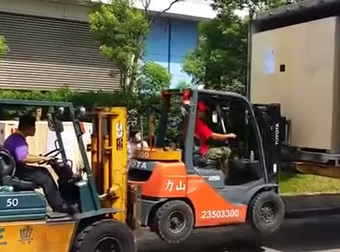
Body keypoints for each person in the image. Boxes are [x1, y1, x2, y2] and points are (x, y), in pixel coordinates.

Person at [3, 115, 71, 213]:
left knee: (41, 171)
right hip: (18, 171)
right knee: (44, 175)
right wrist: (43, 158)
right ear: (27, 127)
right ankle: (59, 206)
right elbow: (23, 158)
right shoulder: (19, 141)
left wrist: (40, 158)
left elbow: (24, 155)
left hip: (15, 169)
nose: (35, 129)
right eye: (34, 126)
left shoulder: (13, 138)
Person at [194, 101, 237, 175]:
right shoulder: (199, 123)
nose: (205, 113)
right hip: (203, 151)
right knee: (227, 151)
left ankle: (219, 170)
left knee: (218, 150)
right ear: (198, 112)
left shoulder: (193, 122)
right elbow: (213, 136)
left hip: (200, 149)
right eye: (203, 111)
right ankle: (225, 177)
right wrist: (229, 135)